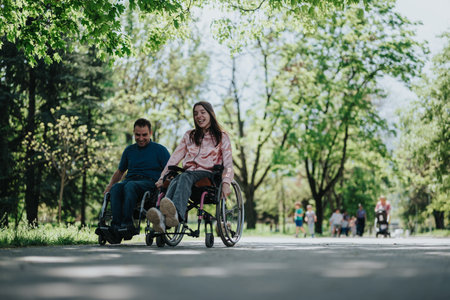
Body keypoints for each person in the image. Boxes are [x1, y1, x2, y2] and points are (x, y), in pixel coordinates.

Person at [146, 101, 234, 233]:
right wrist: (162, 177)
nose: (199, 116)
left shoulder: (222, 136)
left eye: (203, 112)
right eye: (195, 113)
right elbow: (174, 158)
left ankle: (176, 215)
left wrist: (226, 182)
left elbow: (228, 164)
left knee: (184, 177)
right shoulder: (189, 135)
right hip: (187, 177)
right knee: (174, 180)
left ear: (211, 114)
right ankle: (163, 220)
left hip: (208, 175)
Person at [104, 118, 170, 238]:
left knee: (130, 186)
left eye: (144, 135)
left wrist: (163, 183)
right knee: (116, 188)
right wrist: (110, 185)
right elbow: (120, 171)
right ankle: (116, 226)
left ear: (150, 133)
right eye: (137, 135)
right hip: (130, 180)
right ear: (134, 133)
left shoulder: (160, 150)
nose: (140, 138)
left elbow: (169, 170)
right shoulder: (129, 150)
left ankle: (128, 224)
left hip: (150, 183)